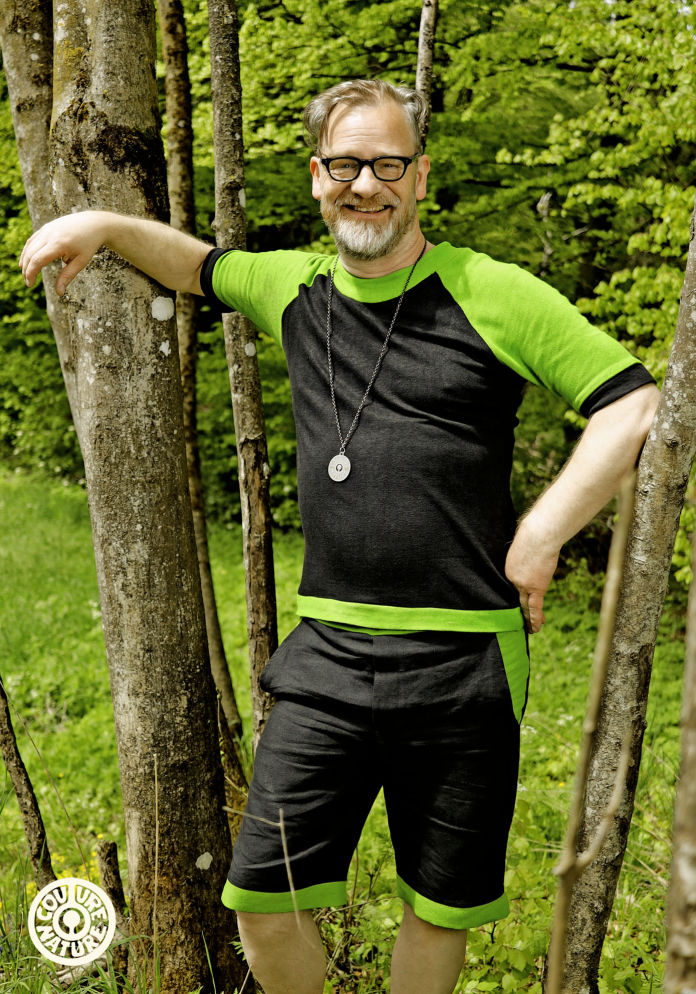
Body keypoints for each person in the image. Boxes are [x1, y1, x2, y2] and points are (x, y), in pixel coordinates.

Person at [20, 79, 659, 994]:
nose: (367, 185)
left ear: (420, 176)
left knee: (438, 908)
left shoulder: (492, 291)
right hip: (326, 657)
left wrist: (542, 534)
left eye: (388, 165)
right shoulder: (295, 287)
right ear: (318, 177)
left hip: (465, 659)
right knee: (261, 899)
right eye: (347, 165)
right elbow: (198, 266)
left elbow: (633, 403)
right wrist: (104, 225)